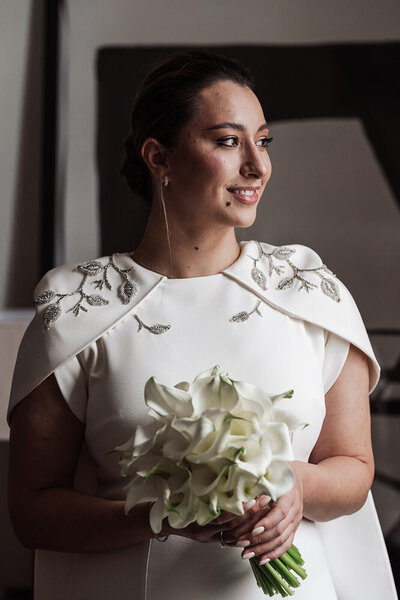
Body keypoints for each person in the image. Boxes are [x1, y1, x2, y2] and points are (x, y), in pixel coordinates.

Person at [7, 50, 397, 600]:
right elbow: (33, 511)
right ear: (159, 157)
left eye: (262, 141)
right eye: (228, 141)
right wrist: (159, 516)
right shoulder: (79, 308)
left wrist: (296, 485)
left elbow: (354, 469)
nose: (257, 167)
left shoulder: (310, 293)